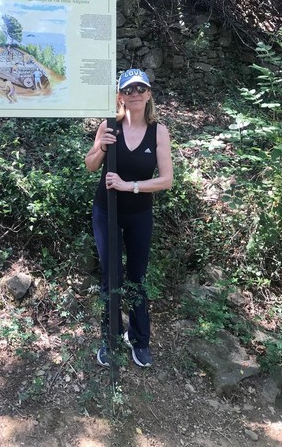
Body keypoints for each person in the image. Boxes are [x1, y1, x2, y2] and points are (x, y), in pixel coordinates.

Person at [85, 68, 173, 368]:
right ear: (120, 96)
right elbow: (90, 165)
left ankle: (139, 340)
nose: (135, 94)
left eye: (140, 89)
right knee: (111, 275)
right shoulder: (109, 126)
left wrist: (129, 186)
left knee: (137, 276)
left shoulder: (159, 131)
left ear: (148, 94)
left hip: (139, 214)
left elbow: (166, 180)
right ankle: (109, 339)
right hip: (106, 211)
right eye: (128, 89)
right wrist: (102, 147)